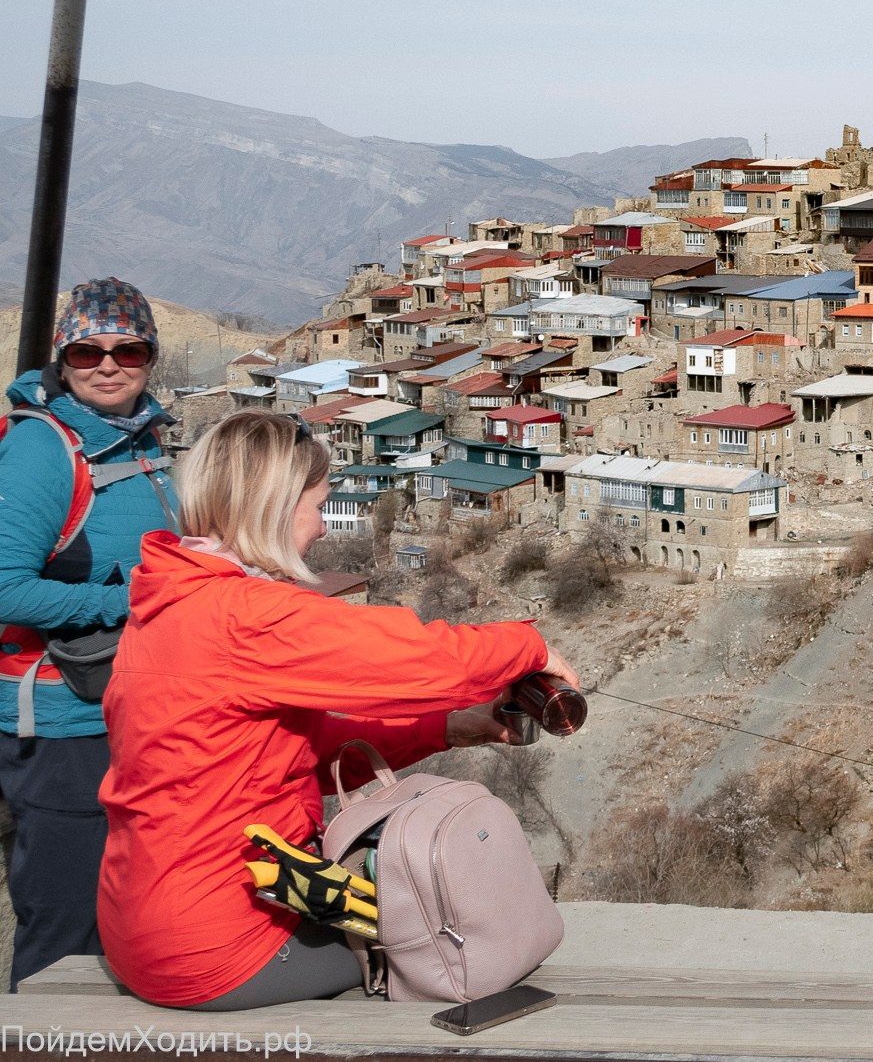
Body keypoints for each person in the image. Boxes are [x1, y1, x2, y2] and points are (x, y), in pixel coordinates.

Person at [97, 411, 575, 1010]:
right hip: (217, 943)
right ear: (274, 503)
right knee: (455, 936)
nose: (323, 528)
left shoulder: (171, 602)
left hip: (143, 923)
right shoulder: (244, 615)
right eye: (319, 505)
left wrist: (447, 728)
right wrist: (526, 647)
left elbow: (288, 759)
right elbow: (412, 658)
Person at [0, 279, 179, 989]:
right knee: (63, 925)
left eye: (127, 348)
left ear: (150, 356)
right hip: (60, 723)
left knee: (122, 915)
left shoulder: (142, 436)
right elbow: (4, 586)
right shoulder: (45, 449)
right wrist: (127, 599)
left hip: (127, 708)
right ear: (61, 357)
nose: (108, 364)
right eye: (86, 349)